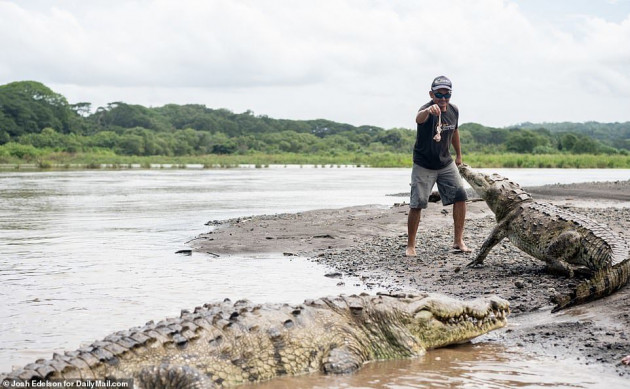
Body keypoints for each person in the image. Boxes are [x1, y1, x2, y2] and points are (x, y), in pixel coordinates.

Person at [406, 75, 470, 256]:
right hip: (424, 163)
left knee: (460, 196)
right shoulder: (427, 109)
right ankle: (411, 245)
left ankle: (458, 241)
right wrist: (428, 111)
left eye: (446, 95)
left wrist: (458, 155)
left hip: (445, 162)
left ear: (450, 95)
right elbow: (418, 119)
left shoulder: (454, 110)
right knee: (417, 203)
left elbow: (455, 131)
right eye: (438, 95)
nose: (442, 99)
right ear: (431, 94)